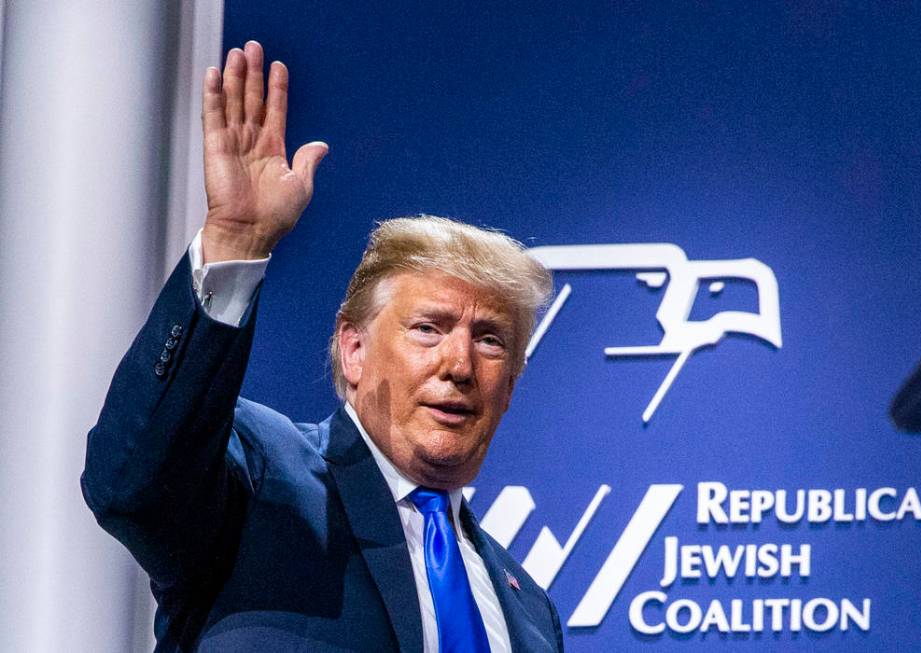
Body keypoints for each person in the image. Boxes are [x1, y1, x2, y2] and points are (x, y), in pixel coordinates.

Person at [81, 41, 562, 653]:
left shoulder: (531, 614)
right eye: (428, 328)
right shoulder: (260, 477)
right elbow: (130, 484)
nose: (459, 365)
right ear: (354, 350)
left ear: (513, 383)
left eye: (489, 340)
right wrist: (235, 241)